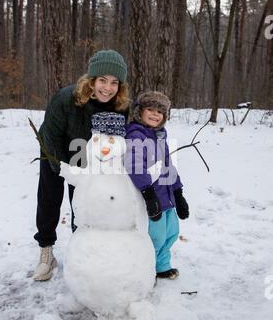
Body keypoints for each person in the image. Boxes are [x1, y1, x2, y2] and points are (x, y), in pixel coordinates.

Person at [33, 50, 130, 281]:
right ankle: (46, 253)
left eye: (114, 82)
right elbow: (52, 137)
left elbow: (119, 141)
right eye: (102, 80)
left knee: (83, 203)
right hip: (54, 149)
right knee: (50, 198)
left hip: (87, 154)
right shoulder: (66, 98)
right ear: (92, 80)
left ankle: (81, 253)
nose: (107, 88)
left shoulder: (121, 106)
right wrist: (63, 169)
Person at [125, 91, 189, 280]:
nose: (155, 114)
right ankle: (145, 270)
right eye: (150, 109)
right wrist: (148, 193)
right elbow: (134, 165)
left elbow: (168, 165)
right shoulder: (136, 135)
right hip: (152, 197)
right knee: (156, 237)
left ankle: (161, 266)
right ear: (140, 112)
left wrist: (178, 192)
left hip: (167, 196)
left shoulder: (160, 136)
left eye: (160, 112)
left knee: (171, 233)